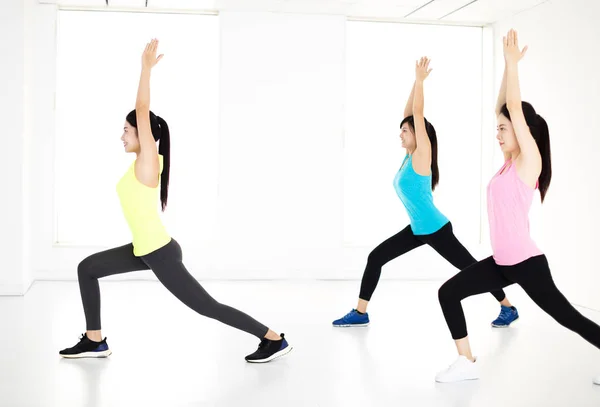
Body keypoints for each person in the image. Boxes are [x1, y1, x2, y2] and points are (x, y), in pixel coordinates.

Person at [59, 39, 292, 363]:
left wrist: (145, 69)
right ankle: (95, 340)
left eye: (127, 129)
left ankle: (272, 338)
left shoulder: (150, 162)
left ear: (144, 134)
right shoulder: (140, 165)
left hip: (160, 252)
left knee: (206, 306)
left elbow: (142, 110)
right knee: (87, 269)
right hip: (145, 249)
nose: (123, 135)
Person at [436, 29, 600, 383]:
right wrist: (505, 68)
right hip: (502, 264)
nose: (498, 134)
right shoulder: (508, 165)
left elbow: (512, 108)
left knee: (567, 317)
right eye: (497, 129)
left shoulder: (530, 163)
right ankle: (466, 363)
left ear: (522, 131)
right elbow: (503, 107)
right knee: (448, 292)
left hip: (527, 265)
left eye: (503, 129)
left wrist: (513, 67)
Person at [332, 57, 518, 328]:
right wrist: (413, 82)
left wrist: (421, 82)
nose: (400, 134)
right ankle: (360, 313)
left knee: (471, 269)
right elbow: (410, 114)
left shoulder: (422, 155)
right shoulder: (409, 156)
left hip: (436, 229)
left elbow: (416, 115)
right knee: (376, 258)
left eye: (405, 131)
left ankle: (508, 307)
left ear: (419, 136)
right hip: (418, 229)